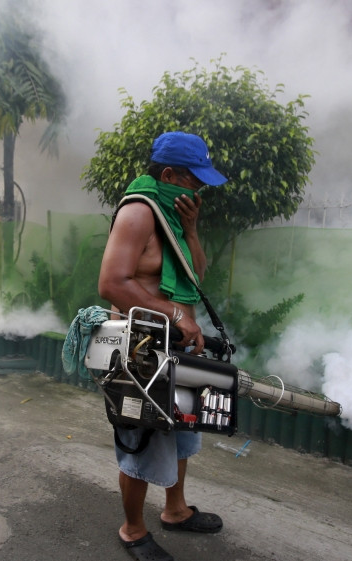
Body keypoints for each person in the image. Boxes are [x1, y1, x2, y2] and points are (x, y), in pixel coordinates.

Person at [97, 131, 229, 561]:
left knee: (182, 427)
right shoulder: (138, 213)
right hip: (141, 352)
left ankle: (175, 509)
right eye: (194, 182)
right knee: (143, 440)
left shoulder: (174, 218)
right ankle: (133, 530)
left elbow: (198, 275)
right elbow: (111, 284)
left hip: (179, 348)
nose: (198, 191)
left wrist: (191, 230)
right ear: (169, 174)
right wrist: (174, 315)